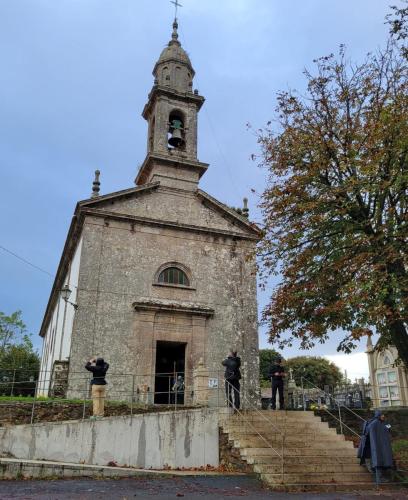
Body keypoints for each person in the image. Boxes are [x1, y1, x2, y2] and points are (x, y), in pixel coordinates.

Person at [357, 409, 394, 484]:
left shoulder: (382, 423)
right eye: (382, 415)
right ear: (378, 416)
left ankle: (379, 478)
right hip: (373, 447)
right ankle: (378, 479)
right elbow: (367, 433)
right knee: (376, 461)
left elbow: (386, 429)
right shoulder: (373, 424)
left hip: (379, 446)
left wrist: (387, 428)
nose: (383, 416)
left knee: (379, 460)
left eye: (384, 415)